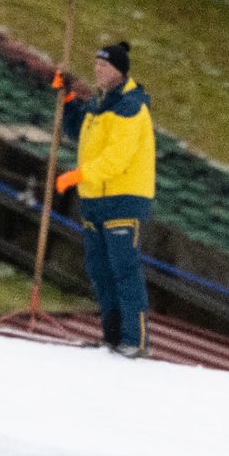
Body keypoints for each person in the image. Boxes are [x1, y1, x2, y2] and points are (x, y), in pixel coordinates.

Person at [55, 41, 156, 357]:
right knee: (100, 270)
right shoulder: (100, 105)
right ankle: (112, 337)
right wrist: (68, 98)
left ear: (120, 71)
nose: (98, 70)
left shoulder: (130, 107)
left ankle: (135, 340)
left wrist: (78, 175)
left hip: (122, 198)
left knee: (124, 270)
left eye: (105, 66)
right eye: (96, 65)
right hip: (95, 201)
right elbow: (78, 131)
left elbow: (117, 159)